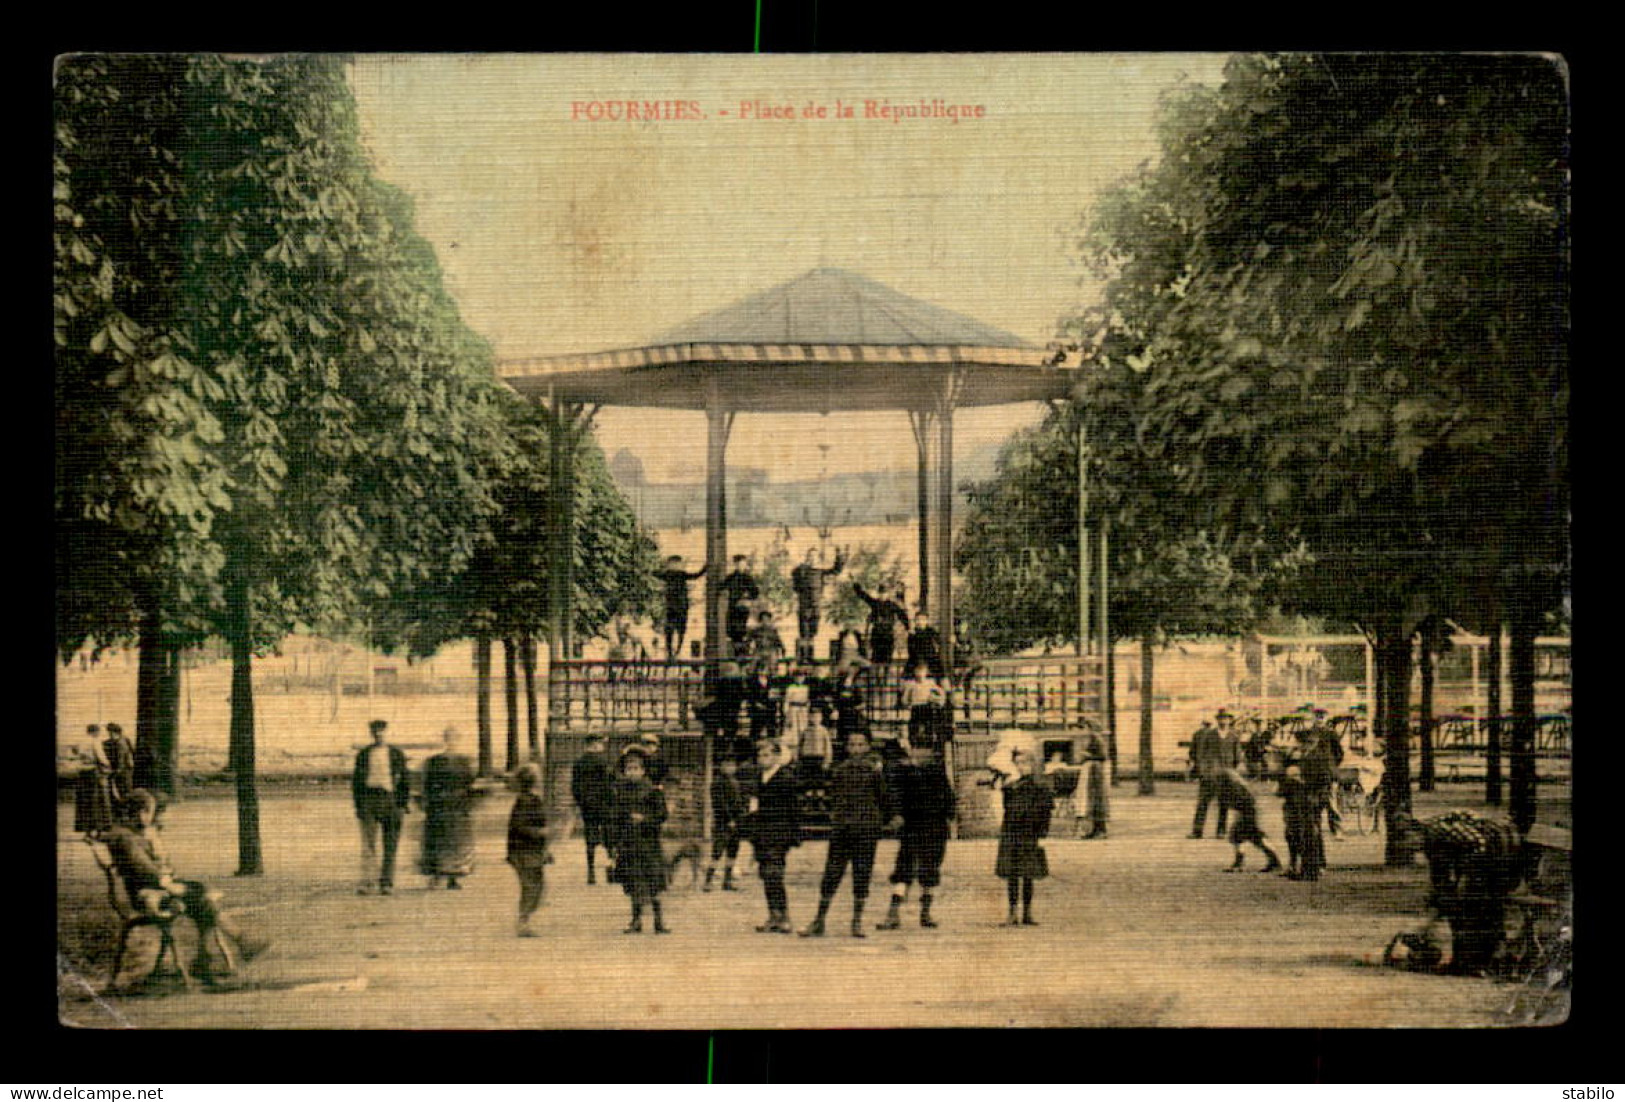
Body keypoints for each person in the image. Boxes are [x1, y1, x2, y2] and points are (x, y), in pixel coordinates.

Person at [106, 789, 266, 983]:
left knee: (203, 898)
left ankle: (213, 956)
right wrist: (167, 882)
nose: (151, 818)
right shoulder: (125, 838)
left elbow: (161, 866)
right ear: (140, 812)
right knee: (201, 896)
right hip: (147, 895)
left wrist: (164, 869)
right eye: (150, 812)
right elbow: (144, 869)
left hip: (158, 889)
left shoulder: (134, 834)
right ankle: (226, 948)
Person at [800, 730, 899, 938]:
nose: (855, 749)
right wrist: (836, 816)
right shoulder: (839, 771)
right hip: (842, 829)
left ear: (867, 747)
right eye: (852, 745)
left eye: (860, 745)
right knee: (831, 874)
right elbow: (832, 797)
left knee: (862, 874)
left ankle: (857, 921)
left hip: (866, 830)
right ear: (846, 748)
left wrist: (888, 817)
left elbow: (885, 798)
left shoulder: (875, 772)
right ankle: (819, 920)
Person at [876, 742, 957, 930]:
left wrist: (948, 817)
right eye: (917, 749)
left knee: (930, 870)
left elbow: (949, 799)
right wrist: (897, 816)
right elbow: (895, 798)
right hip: (912, 828)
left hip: (935, 829)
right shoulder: (903, 774)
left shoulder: (938, 773)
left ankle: (925, 913)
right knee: (903, 869)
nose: (920, 753)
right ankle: (893, 913)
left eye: (924, 749)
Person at [610, 748, 670, 934]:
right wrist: (613, 844)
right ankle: (636, 920)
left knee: (653, 882)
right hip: (628, 844)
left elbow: (662, 815)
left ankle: (659, 921)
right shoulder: (620, 793)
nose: (632, 772)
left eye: (636, 768)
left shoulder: (652, 791)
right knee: (633, 882)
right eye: (629, 769)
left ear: (643, 771)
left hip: (648, 844)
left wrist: (645, 819)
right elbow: (614, 819)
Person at [744, 738, 801, 933]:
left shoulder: (786, 778)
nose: (762, 758)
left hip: (778, 833)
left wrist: (793, 835)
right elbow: (754, 806)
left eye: (767, 755)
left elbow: (793, 809)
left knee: (774, 874)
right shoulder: (760, 778)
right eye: (760, 755)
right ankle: (773, 915)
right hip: (761, 833)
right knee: (765, 874)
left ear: (777, 757)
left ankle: (784, 916)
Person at [995, 744, 1053, 926]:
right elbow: (1006, 808)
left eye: (1025, 763)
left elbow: (1046, 811)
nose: (1021, 767)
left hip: (1029, 834)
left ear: (1033, 764)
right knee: (1012, 874)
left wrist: (1042, 830)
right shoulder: (1011, 787)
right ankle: (1012, 912)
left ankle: (1027, 912)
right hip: (1011, 832)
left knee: (1028, 874)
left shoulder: (1040, 787)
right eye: (1018, 763)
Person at [352, 719, 411, 895]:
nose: (379, 735)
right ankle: (368, 882)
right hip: (369, 800)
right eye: (375, 732)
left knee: (390, 844)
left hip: (390, 801)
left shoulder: (396, 754)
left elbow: (405, 780)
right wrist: (359, 806)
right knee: (368, 844)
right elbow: (356, 783)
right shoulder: (363, 754)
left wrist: (402, 804)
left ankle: (387, 882)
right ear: (371, 734)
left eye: (381, 731)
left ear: (387, 732)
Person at [419, 727, 478, 889]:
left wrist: (468, 802)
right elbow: (427, 784)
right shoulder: (434, 761)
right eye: (448, 738)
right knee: (438, 839)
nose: (451, 741)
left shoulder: (464, 762)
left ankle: (454, 877)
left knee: (457, 842)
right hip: (439, 805)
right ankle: (436, 874)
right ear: (445, 740)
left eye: (454, 738)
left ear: (457, 740)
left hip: (458, 806)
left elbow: (470, 783)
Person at [506, 763, 551, 937]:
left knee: (536, 885)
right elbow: (520, 826)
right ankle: (523, 922)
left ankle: (525, 919)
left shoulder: (531, 799)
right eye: (538, 775)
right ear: (533, 781)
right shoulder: (526, 801)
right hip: (524, 851)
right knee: (531, 886)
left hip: (530, 851)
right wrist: (540, 832)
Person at [1214, 767, 1281, 873]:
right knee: (1253, 838)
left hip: (1247, 813)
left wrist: (1239, 815)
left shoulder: (1234, 787)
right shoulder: (1238, 785)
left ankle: (1240, 863)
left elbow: (1243, 802)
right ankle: (1273, 861)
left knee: (1243, 837)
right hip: (1248, 812)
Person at [571, 735, 615, 885]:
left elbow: (575, 787)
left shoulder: (578, 763)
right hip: (604, 806)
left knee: (590, 837)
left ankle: (591, 872)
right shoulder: (603, 762)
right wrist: (612, 803)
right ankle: (611, 870)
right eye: (601, 744)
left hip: (587, 807)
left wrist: (581, 802)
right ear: (595, 745)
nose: (602, 747)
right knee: (609, 837)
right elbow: (609, 785)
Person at [791, 546, 844, 660]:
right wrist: (799, 570)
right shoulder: (801, 570)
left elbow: (836, 570)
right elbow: (795, 584)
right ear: (807, 557)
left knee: (813, 633)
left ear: (818, 558)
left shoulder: (820, 572)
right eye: (810, 556)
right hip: (804, 607)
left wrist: (839, 556)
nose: (812, 558)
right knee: (804, 634)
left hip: (816, 607)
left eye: (815, 556)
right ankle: (803, 658)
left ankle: (810, 657)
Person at [1187, 714, 1235, 839]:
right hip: (1209, 775)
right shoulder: (1209, 735)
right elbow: (1201, 755)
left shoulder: (1233, 736)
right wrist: (1204, 771)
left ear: (1230, 721)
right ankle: (1197, 831)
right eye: (1221, 719)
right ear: (1217, 721)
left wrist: (1231, 772)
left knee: (1224, 804)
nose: (1223, 721)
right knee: (1203, 803)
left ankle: (1221, 831)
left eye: (1226, 719)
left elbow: (1237, 756)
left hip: (1225, 776)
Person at [706, 756, 747, 892]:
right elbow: (719, 804)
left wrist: (741, 818)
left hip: (736, 822)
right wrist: (729, 819)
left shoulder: (736, 782)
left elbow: (741, 801)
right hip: (723, 823)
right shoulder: (717, 783)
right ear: (721, 766)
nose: (730, 768)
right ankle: (708, 881)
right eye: (727, 764)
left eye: (732, 765)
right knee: (717, 852)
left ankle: (727, 880)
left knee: (732, 851)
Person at [657, 554, 706, 660]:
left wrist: (705, 568)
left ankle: (675, 651)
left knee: (677, 629)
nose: (674, 566)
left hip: (679, 606)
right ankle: (672, 651)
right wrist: (705, 568)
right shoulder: (672, 574)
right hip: (677, 606)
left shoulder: (677, 574)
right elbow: (696, 575)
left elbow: (696, 575)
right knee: (674, 629)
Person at [74, 724, 117, 837]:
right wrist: (109, 764)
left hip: (83, 774)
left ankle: (87, 832)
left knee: (85, 802)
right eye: (98, 732)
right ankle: (99, 830)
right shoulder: (95, 742)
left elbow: (77, 756)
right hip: (94, 774)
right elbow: (101, 758)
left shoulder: (80, 742)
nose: (99, 734)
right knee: (98, 802)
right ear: (95, 732)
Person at [853, 581, 909, 666]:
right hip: (877, 634)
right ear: (878, 594)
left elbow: (902, 615)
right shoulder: (874, 603)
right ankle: (876, 678)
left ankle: (885, 678)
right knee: (875, 658)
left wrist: (908, 627)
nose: (882, 595)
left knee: (887, 658)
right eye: (881, 593)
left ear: (887, 594)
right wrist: (856, 585)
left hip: (888, 634)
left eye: (884, 593)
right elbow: (863, 596)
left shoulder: (892, 605)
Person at [901, 661, 949, 751]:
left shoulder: (930, 683)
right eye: (917, 672)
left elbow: (941, 691)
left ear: (926, 673)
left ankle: (929, 743)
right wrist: (906, 703)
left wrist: (940, 700)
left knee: (929, 724)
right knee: (913, 725)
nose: (919, 674)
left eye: (922, 672)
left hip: (926, 706)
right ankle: (913, 743)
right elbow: (905, 697)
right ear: (915, 673)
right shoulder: (911, 684)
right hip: (915, 707)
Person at [720, 555, 760, 657]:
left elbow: (755, 593)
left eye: (742, 563)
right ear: (735, 564)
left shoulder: (748, 578)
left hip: (742, 607)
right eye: (738, 563)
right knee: (731, 631)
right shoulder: (730, 577)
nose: (740, 566)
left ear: (745, 564)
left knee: (740, 631)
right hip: (732, 606)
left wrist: (746, 598)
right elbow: (721, 587)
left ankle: (741, 654)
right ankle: (735, 654)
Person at [1080, 725, 1110, 840]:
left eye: (1085, 728)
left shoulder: (1097, 739)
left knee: (1098, 799)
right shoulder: (1091, 739)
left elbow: (1103, 756)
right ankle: (1093, 829)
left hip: (1096, 771)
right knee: (1092, 800)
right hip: (1091, 770)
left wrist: (1089, 756)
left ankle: (1101, 830)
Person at [905, 608, 946, 680]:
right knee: (907, 674)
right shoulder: (913, 633)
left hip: (930, 656)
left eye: (923, 620)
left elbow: (940, 641)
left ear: (927, 621)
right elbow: (910, 649)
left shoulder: (931, 631)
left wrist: (937, 651)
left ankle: (946, 689)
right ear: (915, 621)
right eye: (917, 620)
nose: (920, 622)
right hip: (916, 658)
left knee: (940, 671)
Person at [102, 722, 137, 806]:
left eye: (109, 732)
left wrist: (117, 771)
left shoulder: (120, 743)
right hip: (126, 769)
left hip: (123, 771)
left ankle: (127, 811)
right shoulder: (124, 739)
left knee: (124, 791)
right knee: (124, 790)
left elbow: (121, 759)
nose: (109, 734)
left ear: (114, 732)